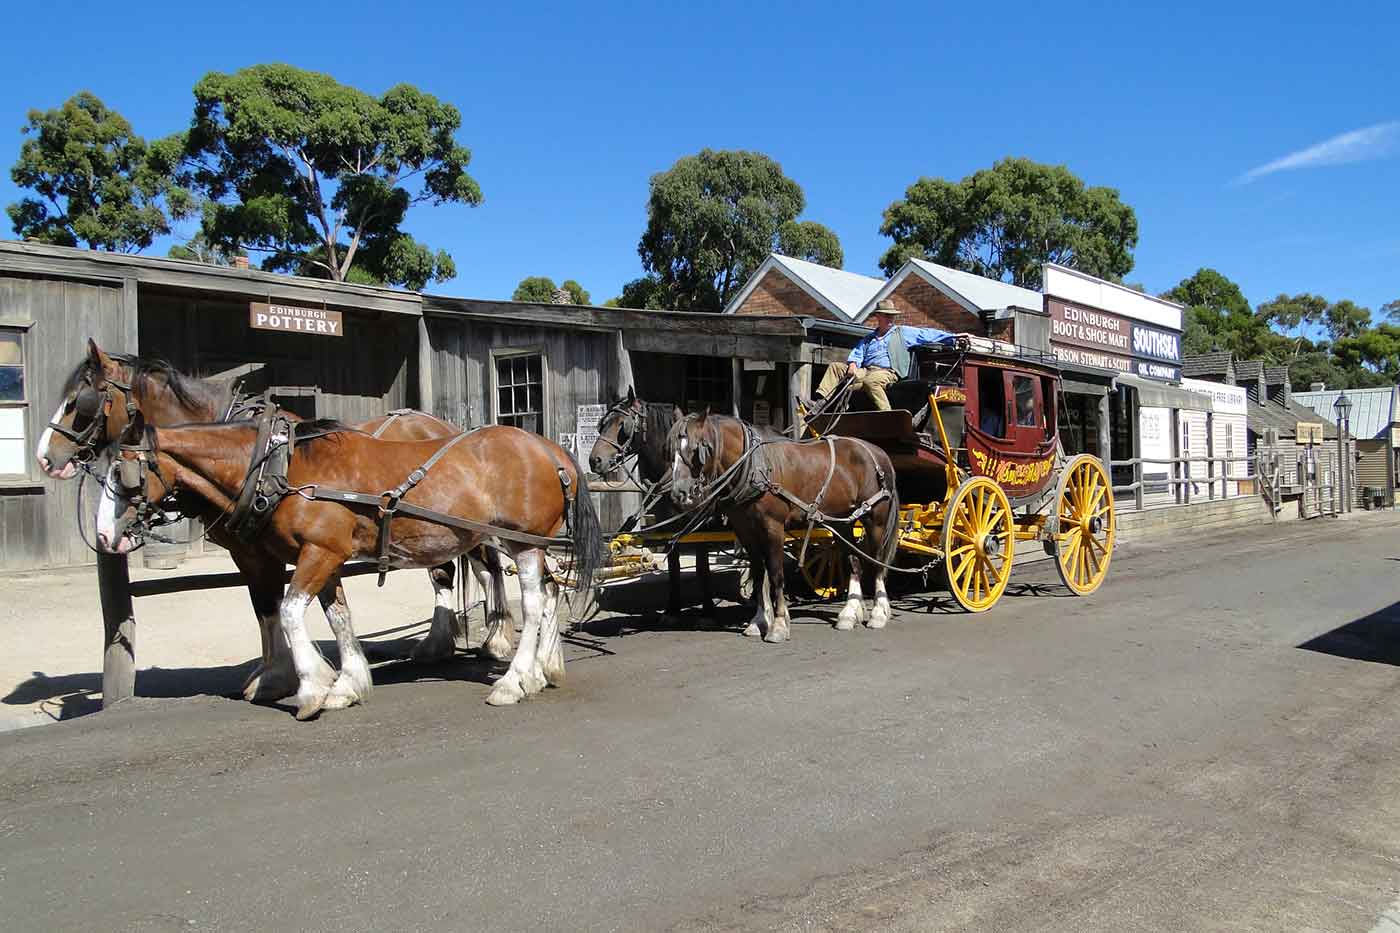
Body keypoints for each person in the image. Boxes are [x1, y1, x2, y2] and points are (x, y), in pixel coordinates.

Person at [813, 299, 954, 412]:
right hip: (866, 370)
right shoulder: (869, 338)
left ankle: (887, 414)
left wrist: (952, 337)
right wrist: (853, 364)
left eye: (892, 316)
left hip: (888, 372)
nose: (890, 318)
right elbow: (857, 353)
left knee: (871, 381)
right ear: (878, 317)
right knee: (836, 367)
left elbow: (927, 334)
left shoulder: (902, 332)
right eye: (887, 315)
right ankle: (820, 402)